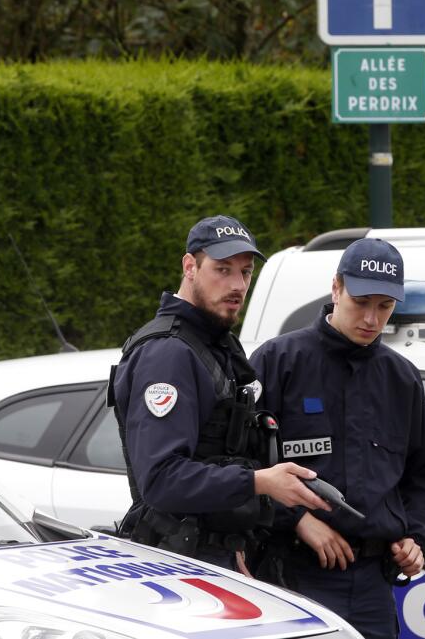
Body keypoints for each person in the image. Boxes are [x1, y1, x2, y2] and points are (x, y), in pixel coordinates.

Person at [250, 238, 425, 639]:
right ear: (336, 287)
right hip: (292, 576)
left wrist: (417, 539)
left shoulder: (401, 377)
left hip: (373, 585)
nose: (372, 319)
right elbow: (240, 465)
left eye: (385, 306)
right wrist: (299, 521)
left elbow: (424, 475)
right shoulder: (277, 362)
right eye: (362, 302)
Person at [109, 215, 331, 571]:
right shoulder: (168, 353)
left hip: (219, 557)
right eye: (222, 269)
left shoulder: (215, 343)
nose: (237, 285)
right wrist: (259, 482)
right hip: (182, 562)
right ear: (189, 267)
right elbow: (162, 480)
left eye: (245, 273)